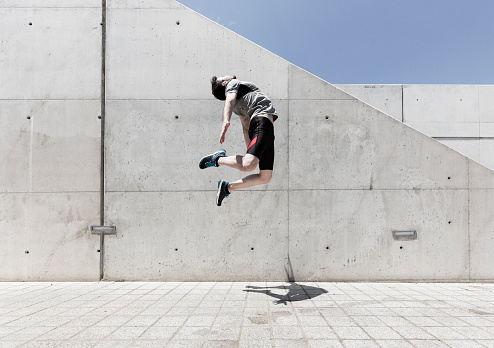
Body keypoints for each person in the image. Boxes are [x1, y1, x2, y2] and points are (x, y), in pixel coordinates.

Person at [199, 75, 278, 206]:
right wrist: (226, 120)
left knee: (265, 177)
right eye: (223, 77)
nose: (228, 76)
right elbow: (229, 100)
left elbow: (245, 128)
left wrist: (250, 152)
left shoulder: (238, 105)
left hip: (266, 129)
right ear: (224, 83)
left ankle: (228, 187)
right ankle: (218, 159)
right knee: (248, 165)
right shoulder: (232, 83)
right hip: (261, 121)